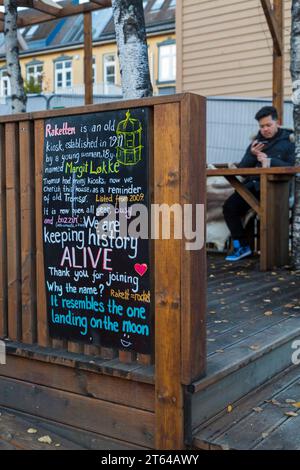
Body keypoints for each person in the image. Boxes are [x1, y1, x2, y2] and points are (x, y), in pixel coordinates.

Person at [223, 106, 295, 262]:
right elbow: (242, 170)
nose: (265, 129)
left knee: (267, 216)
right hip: (254, 187)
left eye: (268, 125)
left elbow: (292, 166)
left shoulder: (290, 140)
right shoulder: (257, 142)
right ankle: (241, 246)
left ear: (278, 122)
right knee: (229, 207)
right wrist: (252, 154)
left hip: (277, 189)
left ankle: (272, 256)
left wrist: (269, 161)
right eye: (262, 126)